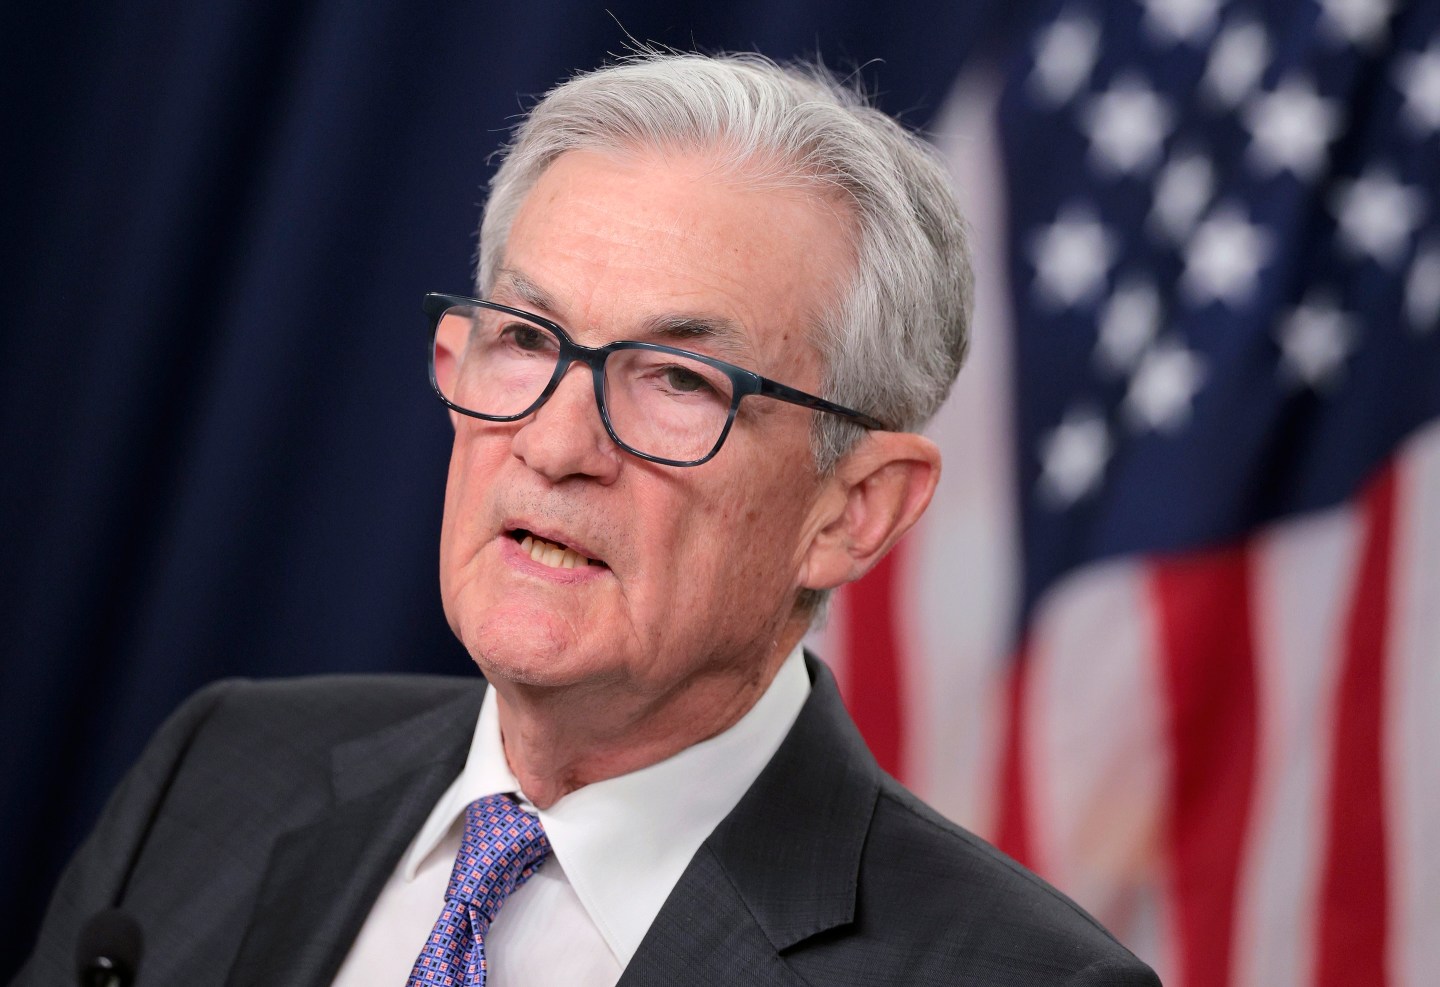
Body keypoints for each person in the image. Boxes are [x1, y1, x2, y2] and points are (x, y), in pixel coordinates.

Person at [16, 52, 1159, 986]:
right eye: (525, 341)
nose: (558, 448)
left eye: (675, 380)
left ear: (854, 511)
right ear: (454, 360)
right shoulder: (220, 770)